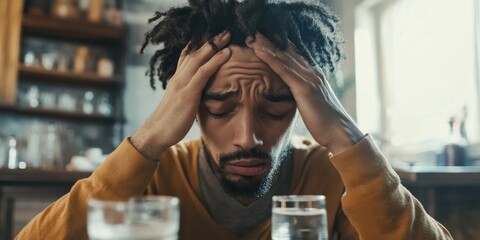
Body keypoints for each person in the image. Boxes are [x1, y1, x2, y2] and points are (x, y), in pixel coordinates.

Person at [17, 0, 452, 239]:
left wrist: (348, 138)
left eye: (276, 107)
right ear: (187, 107)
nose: (249, 137)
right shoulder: (149, 176)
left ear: (304, 104)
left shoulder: (334, 175)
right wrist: (147, 140)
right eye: (222, 107)